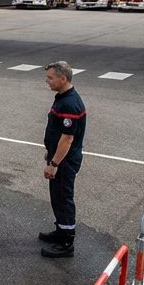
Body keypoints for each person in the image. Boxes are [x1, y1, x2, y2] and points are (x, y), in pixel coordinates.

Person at [40, 61, 87, 258]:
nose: (47, 81)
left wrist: (54, 164)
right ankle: (61, 230)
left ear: (63, 78)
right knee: (57, 196)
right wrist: (51, 152)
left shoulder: (69, 103)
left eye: (50, 77)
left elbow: (67, 139)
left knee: (63, 198)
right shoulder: (63, 97)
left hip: (64, 162)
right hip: (59, 157)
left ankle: (67, 241)